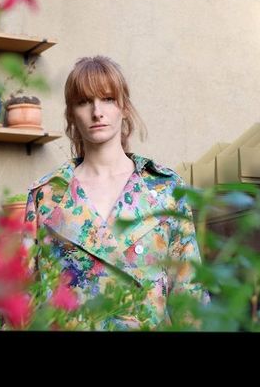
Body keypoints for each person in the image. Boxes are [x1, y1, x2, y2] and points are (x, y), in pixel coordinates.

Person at [23, 55, 209, 330]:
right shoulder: (49, 194)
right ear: (71, 113)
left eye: (108, 99)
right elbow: (24, 298)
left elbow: (189, 294)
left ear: (124, 107)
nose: (97, 112)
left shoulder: (164, 188)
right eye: (84, 101)